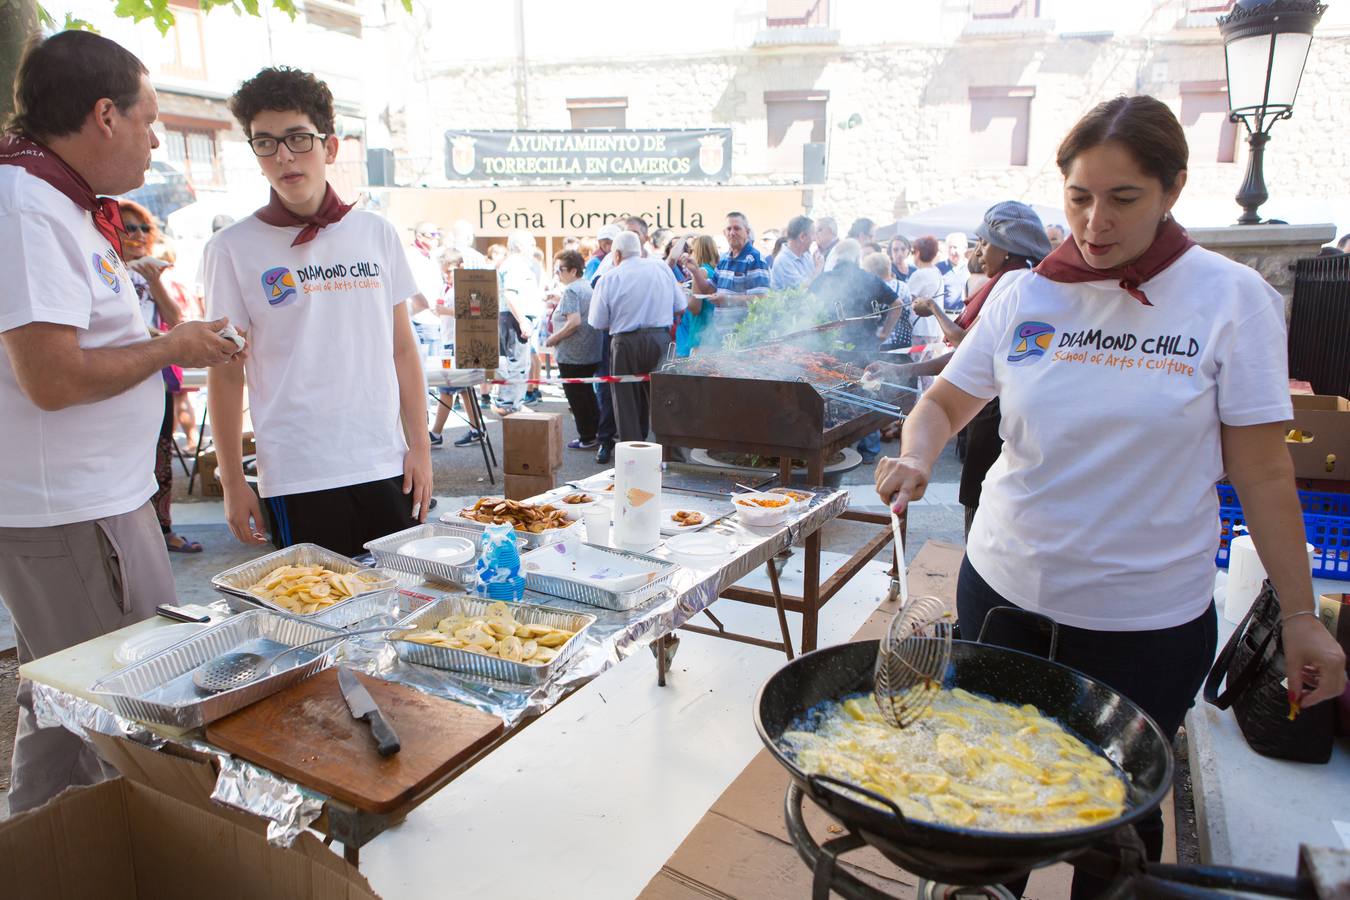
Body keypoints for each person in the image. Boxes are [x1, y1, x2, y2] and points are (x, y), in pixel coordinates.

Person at [875, 95, 1346, 897]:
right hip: (1004, 594)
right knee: (988, 786)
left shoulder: (1231, 300)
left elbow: (1265, 474)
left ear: (1173, 190)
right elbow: (946, 403)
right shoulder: (1028, 295)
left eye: (1123, 198)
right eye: (1079, 197)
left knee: (1118, 820)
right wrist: (916, 455)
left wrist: (1302, 617)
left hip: (1145, 623)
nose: (1095, 223)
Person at [0, 30, 240, 813]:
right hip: (75, 516)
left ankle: (47, 856)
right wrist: (171, 346)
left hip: (96, 503)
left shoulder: (57, 203)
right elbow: (53, 377)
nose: (157, 136)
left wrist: (168, 339)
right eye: (150, 119)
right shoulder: (26, 206)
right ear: (105, 115)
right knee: (120, 713)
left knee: (65, 712)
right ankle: (110, 855)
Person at [205, 66, 431, 558]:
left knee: (408, 604)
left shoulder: (376, 233)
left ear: (329, 148)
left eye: (297, 138)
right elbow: (225, 375)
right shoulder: (232, 248)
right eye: (264, 142)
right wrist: (230, 480)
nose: (283, 155)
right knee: (317, 615)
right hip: (298, 472)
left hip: (384, 461)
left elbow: (401, 349)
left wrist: (420, 446)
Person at [873, 202, 1052, 529]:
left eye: (986, 243)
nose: (980, 250)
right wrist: (904, 371)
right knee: (976, 495)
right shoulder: (1013, 280)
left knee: (980, 498)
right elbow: (969, 355)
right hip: (988, 408)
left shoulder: (1015, 282)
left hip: (993, 411)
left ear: (1009, 249)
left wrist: (932, 309)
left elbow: (962, 341)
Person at [118, 199, 203, 554]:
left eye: (143, 228)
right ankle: (130, 536)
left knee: (161, 458)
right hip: (116, 379)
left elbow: (176, 320)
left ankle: (163, 528)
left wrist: (155, 282)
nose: (137, 235)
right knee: (126, 458)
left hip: (155, 378)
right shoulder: (104, 268)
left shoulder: (147, 271)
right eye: (129, 228)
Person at [588, 230, 686, 443]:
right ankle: (673, 456)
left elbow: (598, 322)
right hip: (660, 339)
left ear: (617, 255)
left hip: (624, 343)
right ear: (640, 251)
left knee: (626, 405)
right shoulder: (660, 268)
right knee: (666, 400)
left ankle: (632, 459)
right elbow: (680, 306)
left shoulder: (609, 278)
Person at [809, 239, 897, 462]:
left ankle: (833, 447)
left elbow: (805, 307)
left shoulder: (824, 279)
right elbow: (897, 303)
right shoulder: (869, 278)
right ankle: (868, 451)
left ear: (837, 257)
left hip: (830, 349)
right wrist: (884, 332)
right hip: (865, 348)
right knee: (867, 392)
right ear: (857, 258)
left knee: (830, 394)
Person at [545, 250, 603, 449]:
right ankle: (595, 434)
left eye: (560, 270)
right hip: (591, 350)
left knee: (578, 397)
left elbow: (574, 322)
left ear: (573, 270)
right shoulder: (587, 286)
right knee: (587, 395)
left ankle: (587, 437)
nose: (557, 274)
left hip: (573, 353)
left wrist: (553, 338)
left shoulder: (571, 290)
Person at [710, 211, 771, 334]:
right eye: (729, 229)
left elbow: (762, 299)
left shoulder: (755, 258)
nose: (732, 233)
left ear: (747, 232)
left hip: (743, 335)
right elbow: (711, 287)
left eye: (737, 228)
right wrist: (695, 271)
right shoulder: (724, 258)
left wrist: (728, 299)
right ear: (724, 233)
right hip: (720, 333)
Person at [674, 234, 721, 357]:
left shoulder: (700, 272)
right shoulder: (714, 271)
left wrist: (682, 294)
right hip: (713, 333)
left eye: (691, 250)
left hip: (701, 333)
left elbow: (695, 308)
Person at [770, 215, 815, 291]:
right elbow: (801, 290)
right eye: (813, 234)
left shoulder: (806, 256)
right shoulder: (783, 261)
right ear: (802, 237)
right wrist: (818, 270)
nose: (815, 239)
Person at [939, 232, 969, 314]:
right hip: (943, 316)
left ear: (964, 248)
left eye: (955, 247)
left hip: (963, 315)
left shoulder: (970, 268)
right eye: (950, 247)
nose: (952, 251)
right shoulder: (938, 268)